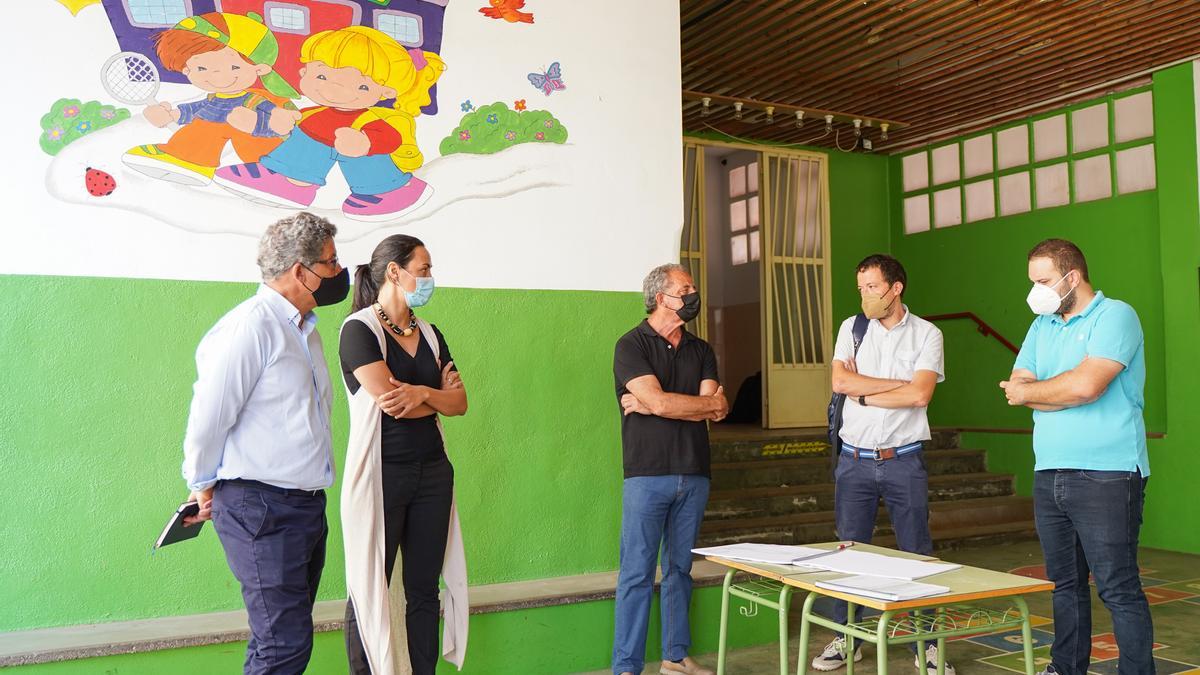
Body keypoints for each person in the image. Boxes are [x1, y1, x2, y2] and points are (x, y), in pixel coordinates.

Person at [180, 211, 347, 674]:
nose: (339, 273)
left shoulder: (303, 330)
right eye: (331, 263)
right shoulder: (251, 326)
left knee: (277, 639)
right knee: (285, 646)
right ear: (300, 271)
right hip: (262, 508)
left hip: (303, 506)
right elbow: (210, 415)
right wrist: (201, 482)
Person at [1000, 239, 1153, 675]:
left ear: (1073, 277)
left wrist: (1046, 392)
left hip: (1108, 475)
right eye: (1032, 281)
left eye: (1044, 281)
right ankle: (1066, 668)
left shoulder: (1116, 315)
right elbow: (1019, 386)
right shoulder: (1041, 325)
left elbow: (1088, 386)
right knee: (1063, 585)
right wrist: (1054, 391)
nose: (1036, 291)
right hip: (1049, 473)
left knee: (1117, 587)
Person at [816, 254, 953, 675]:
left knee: (917, 553)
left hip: (903, 461)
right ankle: (847, 636)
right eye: (861, 288)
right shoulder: (851, 329)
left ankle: (926, 644)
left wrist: (865, 391)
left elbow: (920, 396)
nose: (865, 296)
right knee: (848, 551)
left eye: (872, 287)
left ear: (896, 288)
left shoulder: (928, 334)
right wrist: (897, 383)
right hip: (854, 460)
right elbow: (841, 383)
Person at [339, 234, 469, 675]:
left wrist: (423, 394)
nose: (430, 277)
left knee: (423, 590)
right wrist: (435, 396)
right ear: (395, 271)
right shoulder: (359, 330)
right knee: (369, 585)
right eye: (425, 268)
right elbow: (389, 399)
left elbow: (461, 404)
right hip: (382, 475)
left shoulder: (432, 335)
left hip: (433, 473)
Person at [611, 263, 729, 675]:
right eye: (687, 288)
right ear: (661, 297)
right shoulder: (631, 345)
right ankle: (627, 666)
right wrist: (664, 403)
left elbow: (716, 407)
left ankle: (675, 658)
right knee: (637, 573)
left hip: (694, 472)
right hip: (647, 474)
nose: (694, 294)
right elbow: (687, 404)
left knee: (680, 570)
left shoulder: (701, 350)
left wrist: (654, 403)